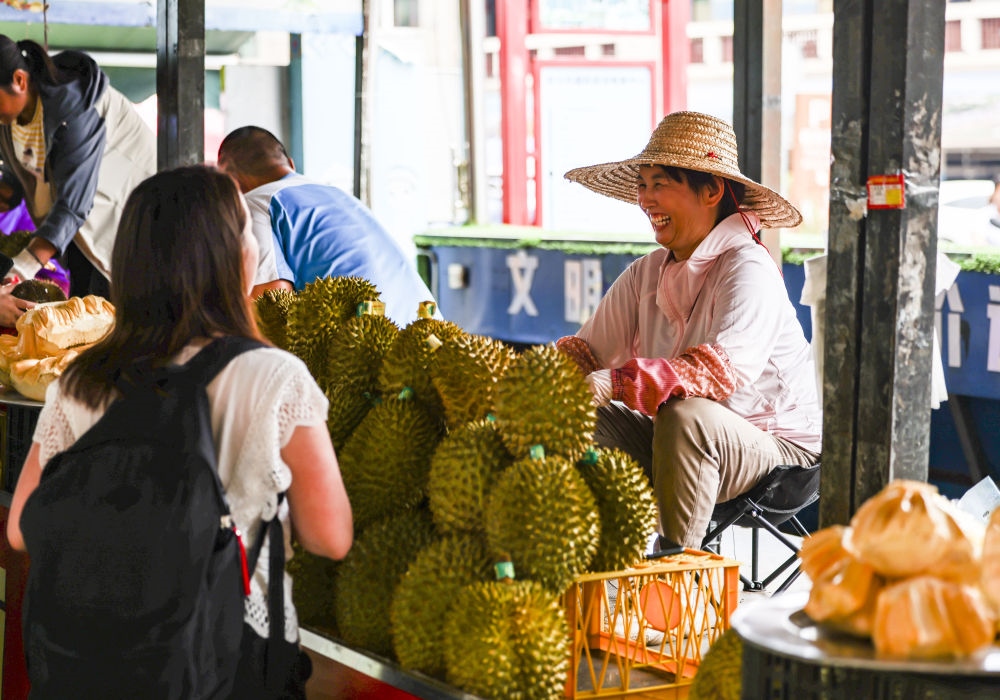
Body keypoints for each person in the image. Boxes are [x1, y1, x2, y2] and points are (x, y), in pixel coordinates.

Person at [5, 165, 353, 694]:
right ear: (235, 258)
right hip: (229, 661)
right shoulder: (275, 376)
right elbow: (330, 537)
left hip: (96, 665)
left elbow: (19, 529)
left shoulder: (79, 382)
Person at [557, 111, 822, 551]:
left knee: (685, 413)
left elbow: (716, 374)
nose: (646, 200)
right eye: (642, 185)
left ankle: (675, 574)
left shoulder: (748, 267)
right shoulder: (645, 274)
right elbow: (584, 353)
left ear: (712, 190)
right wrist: (524, 387)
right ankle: (590, 558)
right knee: (576, 409)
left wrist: (617, 381)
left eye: (660, 184)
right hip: (680, 443)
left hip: (782, 459)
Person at [216, 125, 439, 325]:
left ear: (232, 183)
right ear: (291, 165)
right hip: (431, 335)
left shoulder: (255, 204)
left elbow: (272, 309)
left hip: (371, 350)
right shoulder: (339, 196)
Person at [0, 36, 156, 299]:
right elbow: (25, 175)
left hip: (127, 231)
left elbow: (74, 204)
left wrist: (20, 269)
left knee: (111, 316)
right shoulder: (9, 118)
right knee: (81, 314)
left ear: (19, 80)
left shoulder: (76, 108)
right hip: (79, 237)